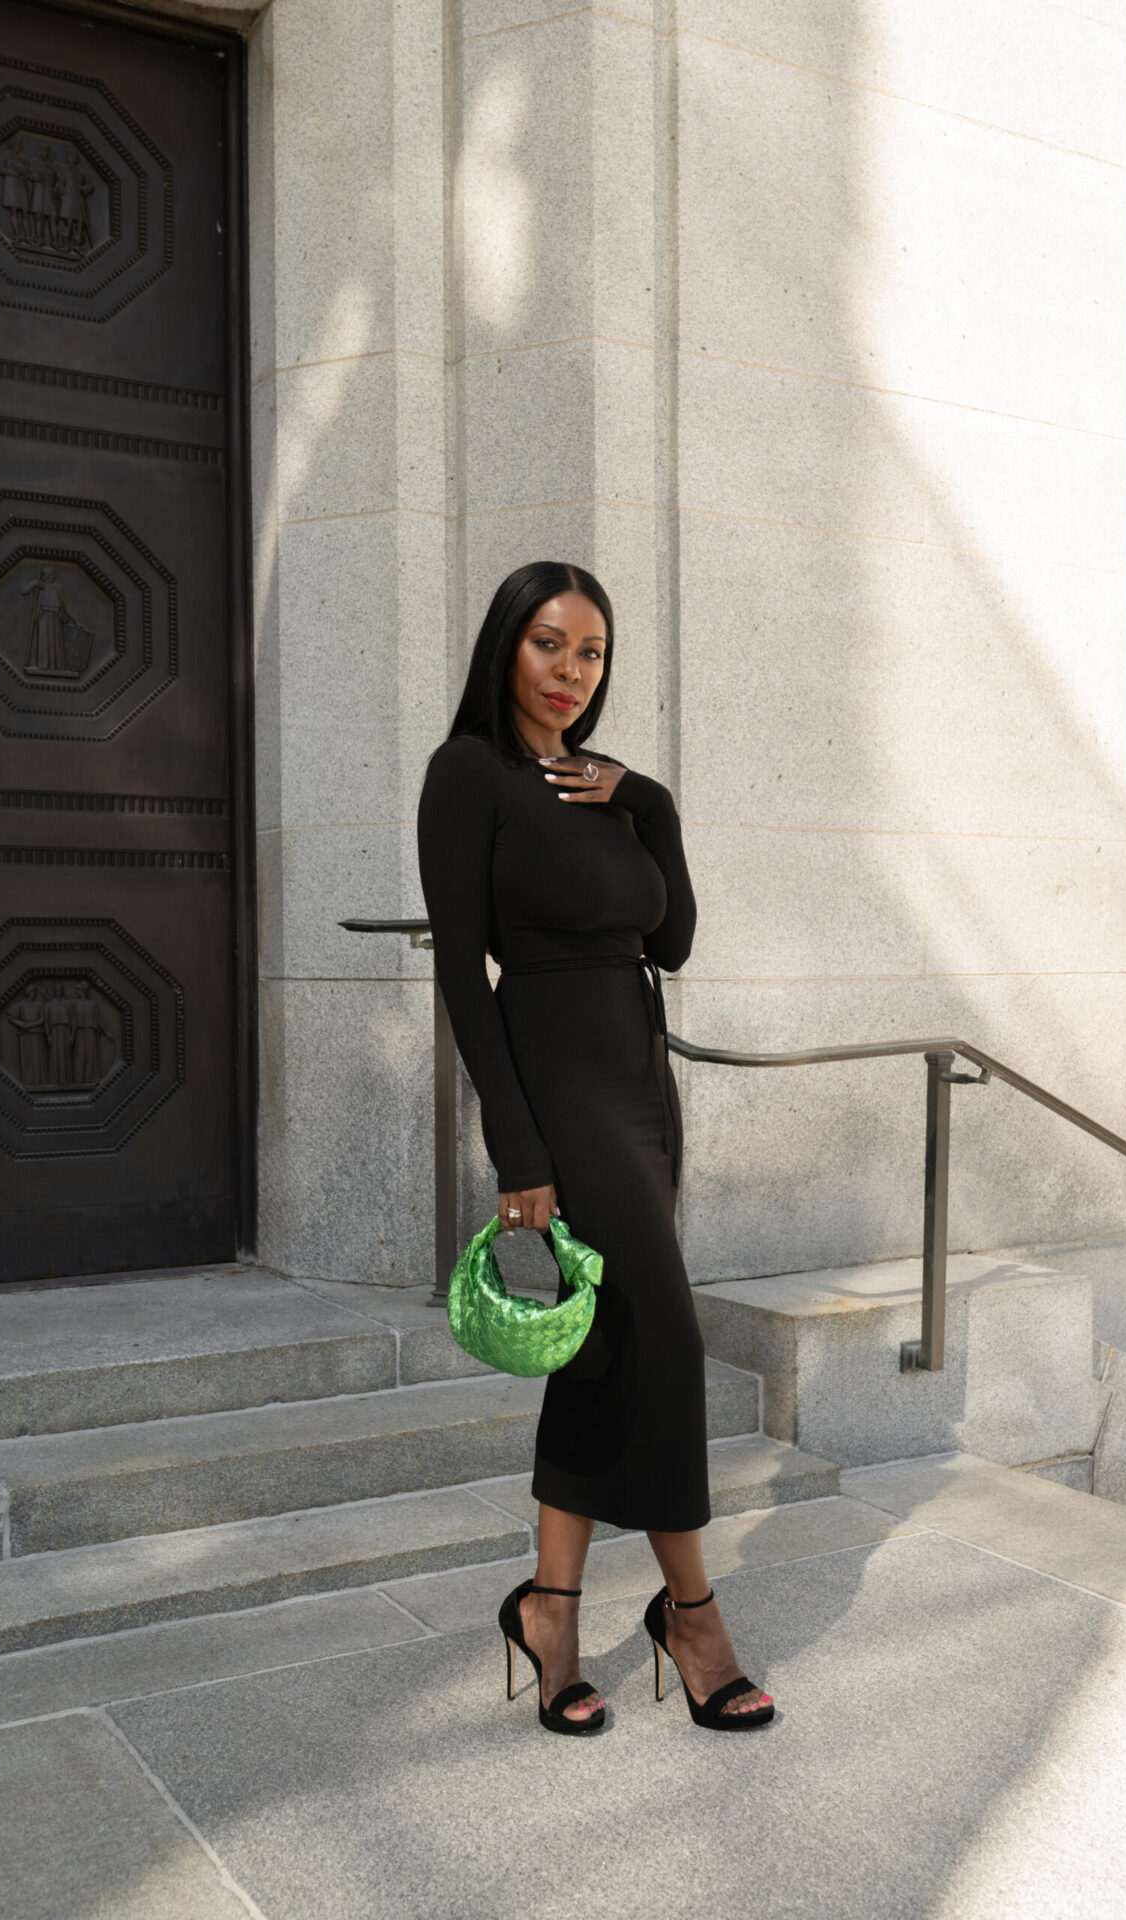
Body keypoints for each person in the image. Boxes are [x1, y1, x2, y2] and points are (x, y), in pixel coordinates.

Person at [417, 560, 774, 1736]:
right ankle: (694, 1616)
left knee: (607, 1348)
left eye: (593, 653)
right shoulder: (466, 777)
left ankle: (551, 1608)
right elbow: (465, 978)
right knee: (665, 1341)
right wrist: (517, 1151)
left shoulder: (608, 791)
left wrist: (651, 804)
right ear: (504, 647)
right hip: (559, 1090)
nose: (571, 673)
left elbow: (669, 940)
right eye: (549, 645)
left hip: (642, 1085)